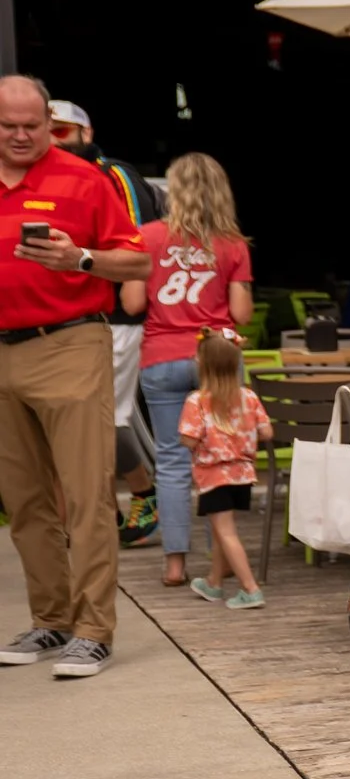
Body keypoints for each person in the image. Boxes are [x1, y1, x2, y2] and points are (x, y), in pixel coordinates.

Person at [0, 73, 151, 678]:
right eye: (7, 126)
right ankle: (50, 621)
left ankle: (93, 630)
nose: (19, 136)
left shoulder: (84, 178)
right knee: (23, 501)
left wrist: (80, 258)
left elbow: (137, 259)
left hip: (67, 341)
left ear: (49, 122)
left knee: (87, 493)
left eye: (31, 126)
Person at [125, 154, 253, 588]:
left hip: (161, 358)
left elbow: (132, 305)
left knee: (172, 462)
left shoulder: (146, 237)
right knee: (220, 459)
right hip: (216, 360)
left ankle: (176, 564)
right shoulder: (233, 244)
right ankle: (224, 557)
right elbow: (241, 312)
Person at [51, 100, 165, 547]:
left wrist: (134, 300)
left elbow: (141, 240)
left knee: (106, 418)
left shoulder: (113, 173)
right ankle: (114, 506)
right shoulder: (52, 179)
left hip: (115, 313)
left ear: (86, 131)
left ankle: (135, 498)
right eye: (51, 131)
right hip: (73, 315)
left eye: (64, 131)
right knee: (89, 418)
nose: (56, 140)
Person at [178, 333, 271, 610]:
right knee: (221, 530)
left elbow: (190, 439)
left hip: (213, 475)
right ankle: (214, 583)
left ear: (204, 365)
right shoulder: (249, 397)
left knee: (226, 531)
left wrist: (195, 438)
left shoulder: (197, 401)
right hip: (243, 473)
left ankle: (250, 588)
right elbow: (267, 431)